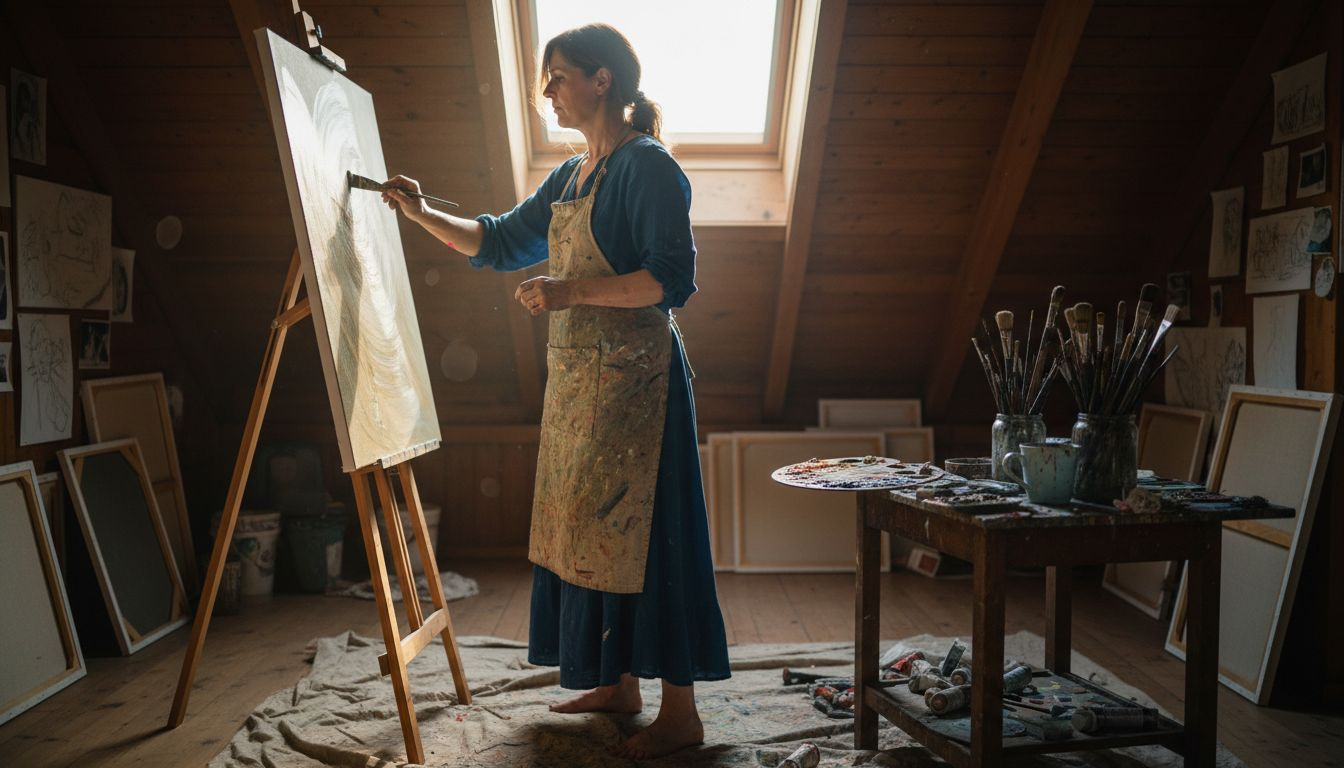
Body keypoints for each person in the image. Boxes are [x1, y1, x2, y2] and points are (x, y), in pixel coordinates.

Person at [382, 23, 730, 760]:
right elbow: (500, 241)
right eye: (545, 79)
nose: (548, 92)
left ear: (604, 80)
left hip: (645, 390)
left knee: (656, 541)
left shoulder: (649, 168)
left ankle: (681, 713)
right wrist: (419, 213)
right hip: (584, 393)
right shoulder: (572, 176)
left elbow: (673, 282)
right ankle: (621, 683)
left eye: (559, 76)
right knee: (596, 539)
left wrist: (569, 291)